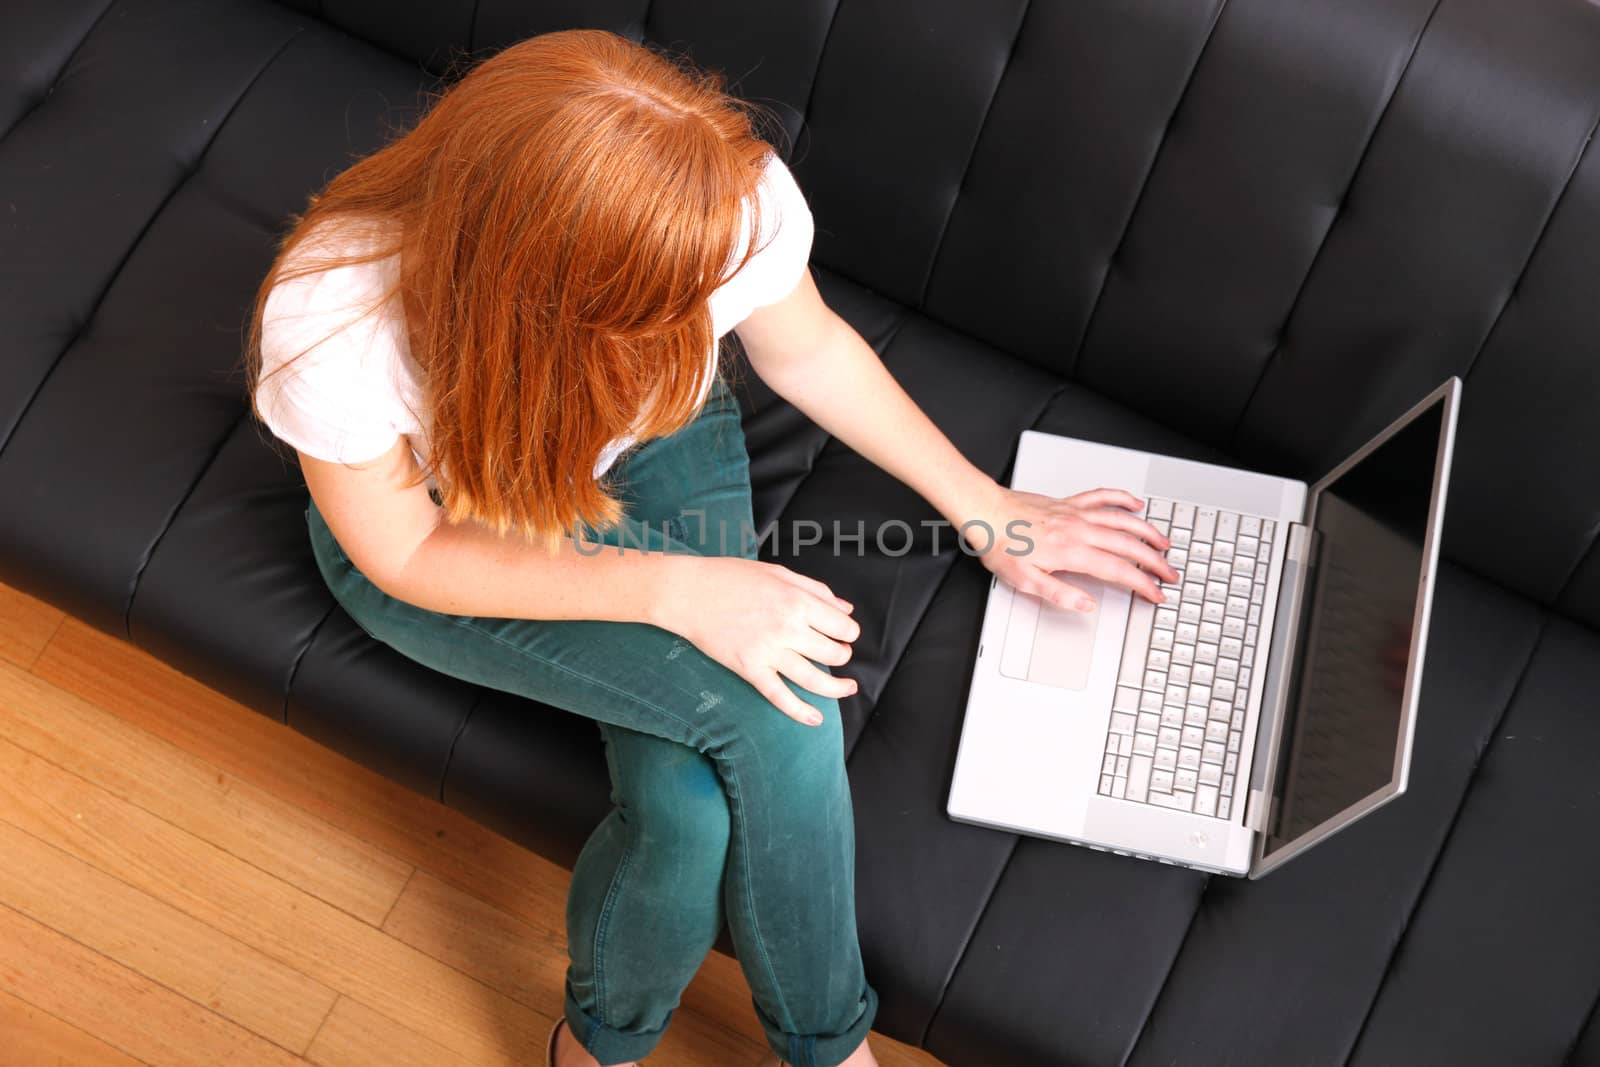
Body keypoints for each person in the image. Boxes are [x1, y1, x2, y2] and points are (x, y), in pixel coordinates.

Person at [244, 28, 1177, 1067]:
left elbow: (808, 344)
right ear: (538, 290)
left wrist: (988, 506)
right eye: (663, 307)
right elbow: (405, 551)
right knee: (784, 720)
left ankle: (613, 1044)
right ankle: (807, 1050)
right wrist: (677, 587)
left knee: (684, 807)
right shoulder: (338, 313)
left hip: (654, 450)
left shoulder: (729, 200)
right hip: (455, 527)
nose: (707, 318)